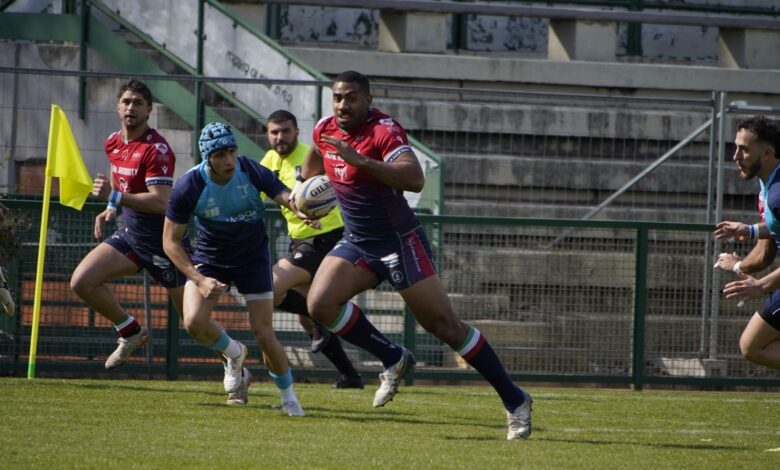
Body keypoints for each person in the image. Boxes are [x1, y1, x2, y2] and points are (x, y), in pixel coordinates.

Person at [300, 70, 532, 440]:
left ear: (368, 101)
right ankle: (393, 358)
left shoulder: (384, 131)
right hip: (358, 241)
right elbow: (315, 158)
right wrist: (303, 194)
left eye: (352, 98)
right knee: (319, 304)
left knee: (444, 327)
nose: (343, 105)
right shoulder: (325, 129)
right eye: (338, 97)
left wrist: (362, 162)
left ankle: (515, 400)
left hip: (398, 242)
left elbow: (414, 177)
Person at [163, 122, 307, 416]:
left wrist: (300, 206)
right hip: (211, 259)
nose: (229, 159)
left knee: (264, 335)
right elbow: (170, 242)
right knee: (193, 322)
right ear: (207, 157)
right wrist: (199, 279)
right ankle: (235, 353)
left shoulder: (250, 170)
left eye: (231, 151)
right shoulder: (189, 186)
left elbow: (282, 193)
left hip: (252, 258)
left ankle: (289, 397)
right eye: (220, 155)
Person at [70, 79, 191, 371]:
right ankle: (130, 331)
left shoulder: (156, 149)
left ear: (149, 110)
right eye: (126, 102)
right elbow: (118, 175)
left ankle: (235, 363)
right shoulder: (113, 141)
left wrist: (113, 197)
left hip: (165, 243)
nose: (131, 108)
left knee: (193, 322)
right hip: (131, 236)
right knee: (82, 282)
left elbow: (161, 202)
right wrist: (111, 208)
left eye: (138, 103)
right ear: (117, 107)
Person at [261, 109, 364, 389]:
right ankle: (350, 376)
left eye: (286, 131)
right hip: (300, 241)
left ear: (297, 132)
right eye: (274, 132)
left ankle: (320, 318)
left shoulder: (311, 156)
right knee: (308, 317)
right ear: (267, 134)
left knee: (270, 287)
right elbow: (256, 193)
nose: (280, 137)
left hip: (326, 237)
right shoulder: (269, 161)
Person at [713, 115, 780, 369]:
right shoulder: (770, 185)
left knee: (753, 346)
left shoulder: (777, 194)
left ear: (767, 153)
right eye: (736, 148)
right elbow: (775, 228)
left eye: (744, 149)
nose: (736, 156)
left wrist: (761, 285)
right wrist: (751, 230)